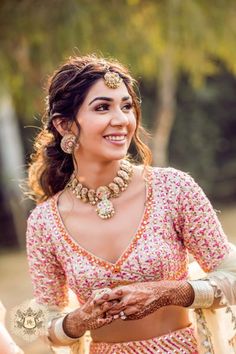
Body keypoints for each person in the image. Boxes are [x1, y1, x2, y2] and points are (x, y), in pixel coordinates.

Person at [26, 54, 236, 354]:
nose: (122, 120)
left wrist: (168, 292)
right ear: (65, 125)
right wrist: (77, 321)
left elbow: (233, 276)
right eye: (102, 107)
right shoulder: (45, 222)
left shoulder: (173, 189)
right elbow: (33, 322)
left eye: (126, 106)